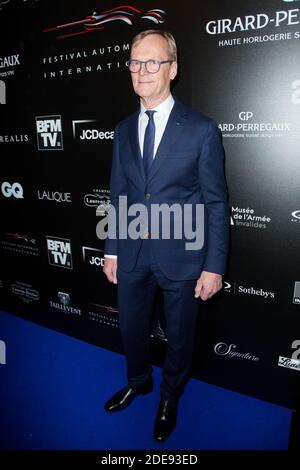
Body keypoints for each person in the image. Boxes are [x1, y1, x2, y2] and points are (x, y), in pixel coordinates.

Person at [103, 29, 229, 442]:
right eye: (136, 62)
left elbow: (216, 203)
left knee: (179, 338)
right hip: (134, 253)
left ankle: (170, 396)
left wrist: (214, 265)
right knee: (130, 329)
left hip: (184, 257)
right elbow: (119, 192)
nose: (142, 71)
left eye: (153, 62)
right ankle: (139, 382)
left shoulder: (202, 129)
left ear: (172, 69)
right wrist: (113, 250)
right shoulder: (122, 129)